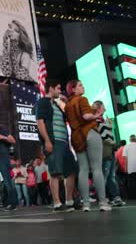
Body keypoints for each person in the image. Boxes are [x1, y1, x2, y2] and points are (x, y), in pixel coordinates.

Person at [65, 80, 111, 212]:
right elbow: (86, 116)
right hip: (90, 132)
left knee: (83, 170)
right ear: (73, 89)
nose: (83, 87)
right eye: (80, 85)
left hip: (76, 137)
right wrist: (97, 115)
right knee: (97, 168)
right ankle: (102, 202)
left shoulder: (68, 105)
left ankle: (86, 204)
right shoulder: (82, 99)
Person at [35, 79, 78, 212]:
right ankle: (57, 203)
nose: (60, 91)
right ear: (51, 89)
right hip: (53, 141)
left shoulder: (58, 105)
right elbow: (40, 122)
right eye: (58, 89)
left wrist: (65, 101)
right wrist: (47, 140)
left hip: (64, 143)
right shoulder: (43, 102)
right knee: (55, 172)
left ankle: (69, 200)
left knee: (71, 171)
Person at [92, 101, 124, 207]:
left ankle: (113, 197)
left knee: (110, 176)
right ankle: (104, 197)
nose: (105, 108)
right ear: (98, 108)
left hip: (110, 150)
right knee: (106, 176)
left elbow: (107, 135)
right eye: (103, 106)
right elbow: (103, 136)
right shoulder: (96, 120)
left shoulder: (101, 120)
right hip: (105, 151)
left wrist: (110, 126)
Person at [0, 113, 18, 211]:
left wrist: (4, 137)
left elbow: (13, 140)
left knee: (7, 180)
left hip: (3, 158)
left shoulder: (2, 130)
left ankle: (13, 203)